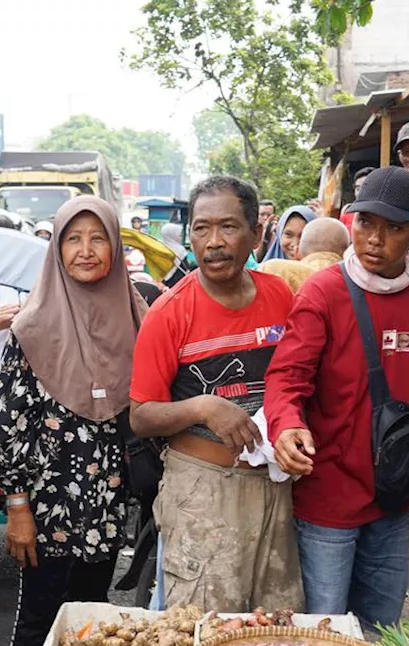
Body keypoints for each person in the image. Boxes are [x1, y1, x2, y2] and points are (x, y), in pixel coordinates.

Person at [0, 196, 145, 646]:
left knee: (93, 621)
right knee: (38, 620)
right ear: (56, 248)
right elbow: (8, 423)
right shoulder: (31, 328)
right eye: (73, 238)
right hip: (48, 506)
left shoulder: (139, 318)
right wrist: (17, 507)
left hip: (108, 499)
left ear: (116, 246)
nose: (86, 250)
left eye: (98, 238)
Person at [266, 166, 409, 629]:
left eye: (394, 227)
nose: (374, 239)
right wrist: (286, 425)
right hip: (328, 495)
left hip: (392, 495)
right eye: (365, 222)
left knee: (380, 626)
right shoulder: (323, 292)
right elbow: (286, 378)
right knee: (325, 630)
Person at [129, 176, 303, 613]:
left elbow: (297, 378)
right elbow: (140, 416)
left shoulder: (281, 296)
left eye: (227, 227)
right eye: (201, 229)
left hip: (272, 486)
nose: (213, 242)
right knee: (202, 627)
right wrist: (204, 408)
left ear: (256, 234)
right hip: (201, 491)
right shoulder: (169, 313)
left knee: (273, 625)